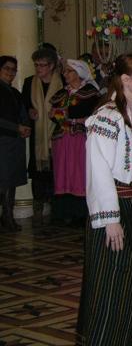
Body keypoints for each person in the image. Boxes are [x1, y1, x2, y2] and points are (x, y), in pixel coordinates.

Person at [76, 53, 132, 345]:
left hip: (131, 205)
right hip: (114, 207)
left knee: (129, 280)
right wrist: (110, 219)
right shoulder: (108, 116)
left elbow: (131, 155)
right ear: (125, 80)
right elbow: (98, 169)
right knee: (113, 281)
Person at [50, 59, 101, 225]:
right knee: (61, 173)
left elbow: (95, 115)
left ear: (79, 73)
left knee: (79, 172)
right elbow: (53, 114)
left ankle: (80, 214)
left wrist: (77, 120)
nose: (65, 74)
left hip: (80, 138)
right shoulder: (62, 93)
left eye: (69, 71)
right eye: (64, 71)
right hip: (62, 138)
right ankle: (62, 213)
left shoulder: (90, 93)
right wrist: (60, 116)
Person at [22, 47, 63, 226]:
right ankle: (38, 210)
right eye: (36, 65)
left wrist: (57, 114)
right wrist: (29, 111)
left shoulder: (62, 82)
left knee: (56, 171)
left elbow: (67, 107)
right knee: (38, 172)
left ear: (52, 65)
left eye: (42, 65)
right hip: (38, 136)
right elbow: (24, 105)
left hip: (56, 133)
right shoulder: (29, 82)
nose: (38, 68)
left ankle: (56, 209)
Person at [0, 56, 31, 232]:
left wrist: (26, 126)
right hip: (3, 141)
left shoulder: (15, 92)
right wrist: (16, 127)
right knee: (4, 180)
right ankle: (7, 217)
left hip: (15, 142)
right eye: (7, 68)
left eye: (13, 69)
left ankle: (7, 216)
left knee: (10, 180)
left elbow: (22, 113)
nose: (10, 72)